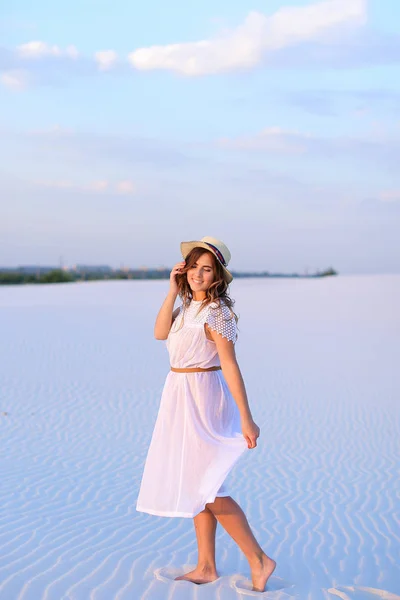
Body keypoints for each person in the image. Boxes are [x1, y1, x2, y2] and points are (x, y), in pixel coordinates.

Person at [136, 236, 276, 592]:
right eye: (193, 266)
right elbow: (158, 333)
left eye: (206, 268)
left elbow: (230, 365)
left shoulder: (218, 313)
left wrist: (247, 417)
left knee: (208, 487)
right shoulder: (186, 309)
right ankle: (206, 566)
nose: (198, 273)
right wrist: (171, 290)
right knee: (195, 485)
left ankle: (259, 560)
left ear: (217, 276)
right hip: (179, 396)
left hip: (204, 398)